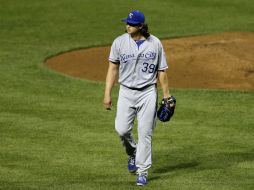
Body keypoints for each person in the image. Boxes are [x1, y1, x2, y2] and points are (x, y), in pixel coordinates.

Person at [103, 10, 172, 186]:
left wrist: (166, 95)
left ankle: (143, 171)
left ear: (141, 26)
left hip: (148, 92)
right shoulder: (119, 42)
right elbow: (112, 69)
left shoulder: (155, 43)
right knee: (122, 130)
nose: (128, 26)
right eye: (127, 23)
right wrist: (107, 94)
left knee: (145, 133)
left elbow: (161, 71)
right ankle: (133, 152)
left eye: (132, 24)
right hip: (126, 92)